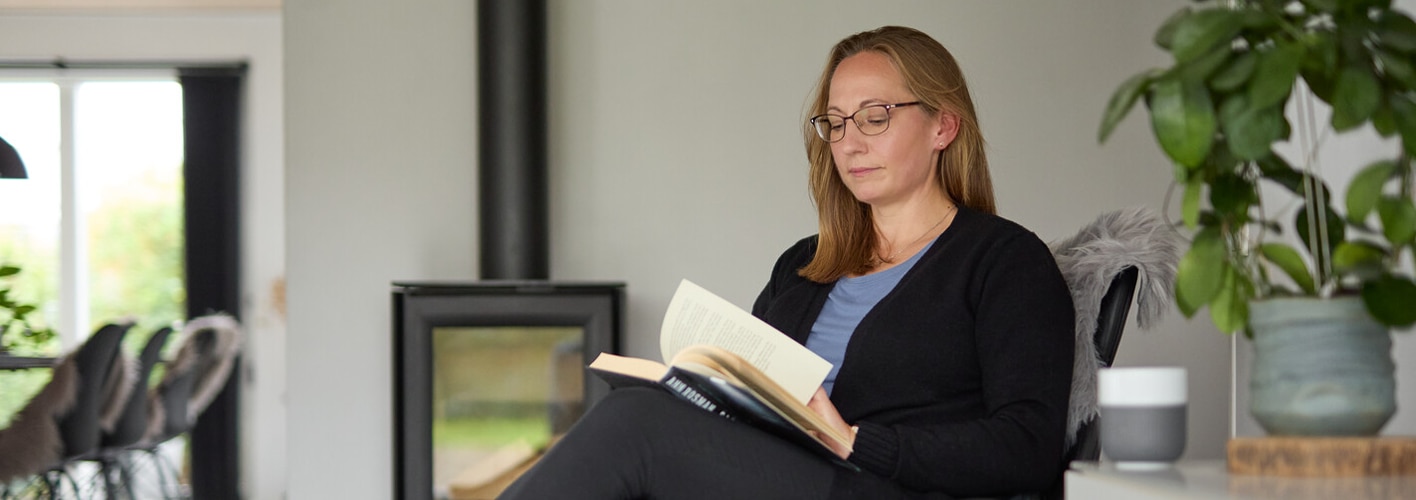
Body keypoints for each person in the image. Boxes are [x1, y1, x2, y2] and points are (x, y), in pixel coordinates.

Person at [497, 25, 1074, 500]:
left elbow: (1028, 447)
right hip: (787, 476)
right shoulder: (804, 265)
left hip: (890, 488)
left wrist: (853, 439)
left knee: (632, 427)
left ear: (942, 126)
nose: (850, 143)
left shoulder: (1006, 262)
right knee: (640, 405)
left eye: (876, 117)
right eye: (837, 123)